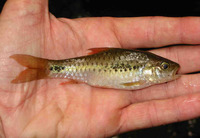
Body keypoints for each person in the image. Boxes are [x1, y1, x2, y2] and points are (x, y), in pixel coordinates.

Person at [0, 0, 200, 137]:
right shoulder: (140, 77)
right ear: (152, 68)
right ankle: (47, 68)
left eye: (165, 67)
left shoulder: (143, 74)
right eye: (164, 66)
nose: (168, 69)